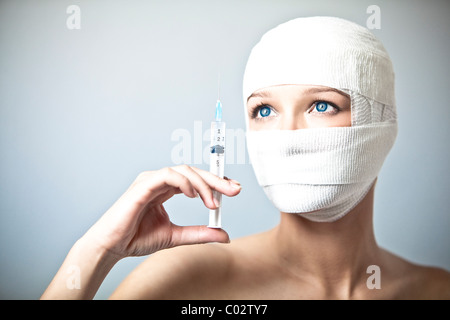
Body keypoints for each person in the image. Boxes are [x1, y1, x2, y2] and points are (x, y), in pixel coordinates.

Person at [41, 16, 450, 300]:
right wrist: (97, 250)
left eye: (321, 106)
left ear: (383, 122)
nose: (287, 137)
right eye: (264, 111)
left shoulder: (435, 291)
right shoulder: (191, 282)